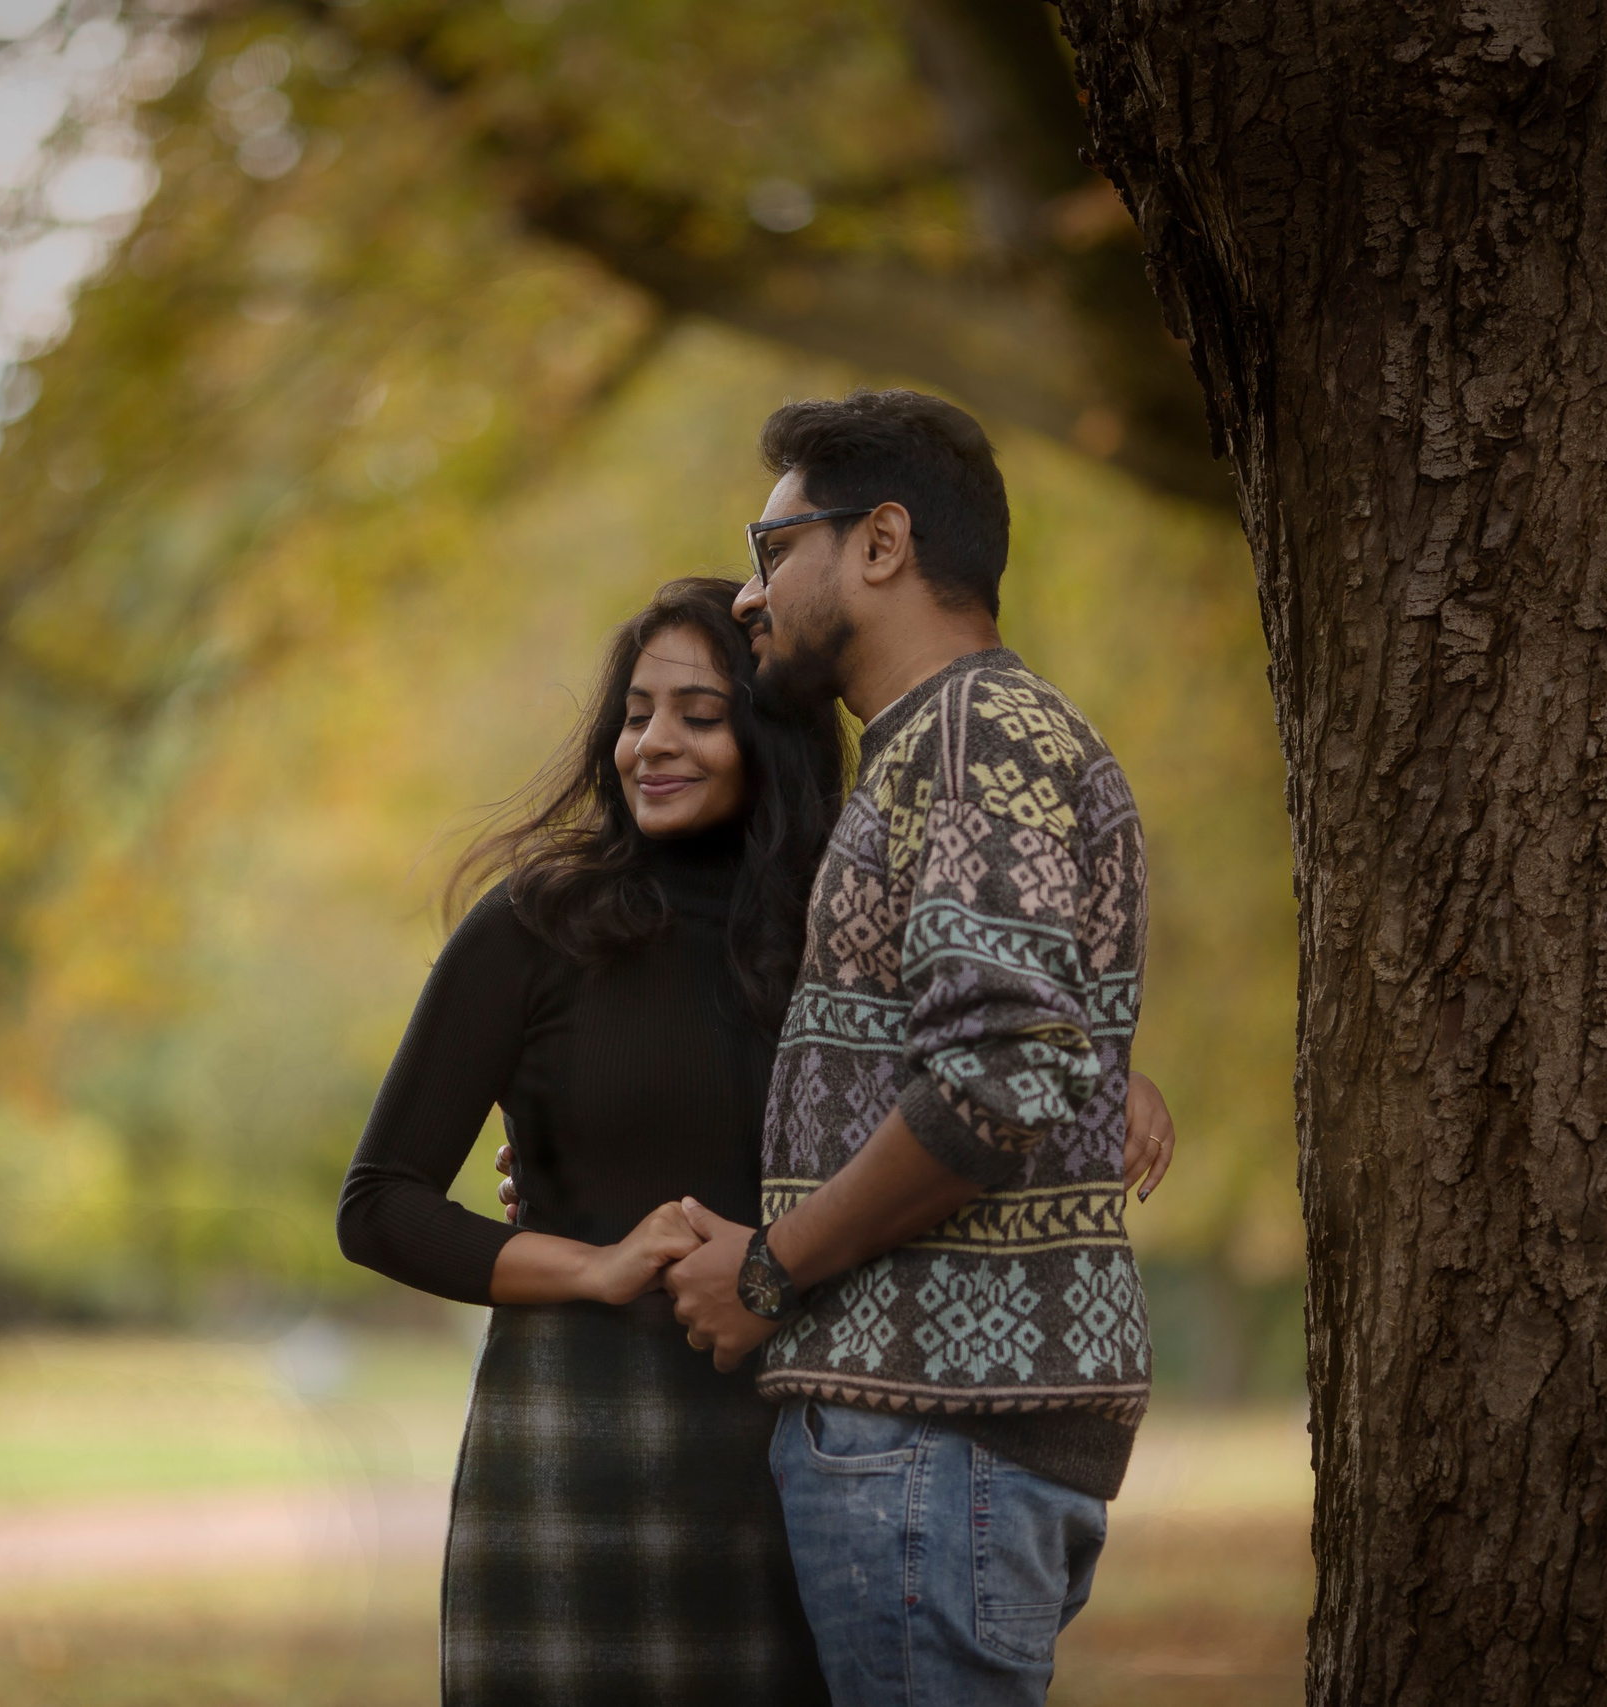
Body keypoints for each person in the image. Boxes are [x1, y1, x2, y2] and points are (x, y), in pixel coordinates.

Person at [339, 574, 1178, 1705]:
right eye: (635, 714)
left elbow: (976, 1068)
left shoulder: (836, 934)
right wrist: (590, 1267)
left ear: (766, 733)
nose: (652, 745)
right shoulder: (536, 925)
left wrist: (1109, 1083)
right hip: (576, 1444)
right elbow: (379, 1205)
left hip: (799, 1443)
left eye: (697, 713)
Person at [663, 388, 1160, 1706]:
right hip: (953, 1436)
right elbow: (1036, 1045)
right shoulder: (964, 741)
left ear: (880, 543)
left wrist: (769, 1269)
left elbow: (995, 1076)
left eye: (774, 552)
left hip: (935, 1429)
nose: (750, 596)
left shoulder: (971, 733)